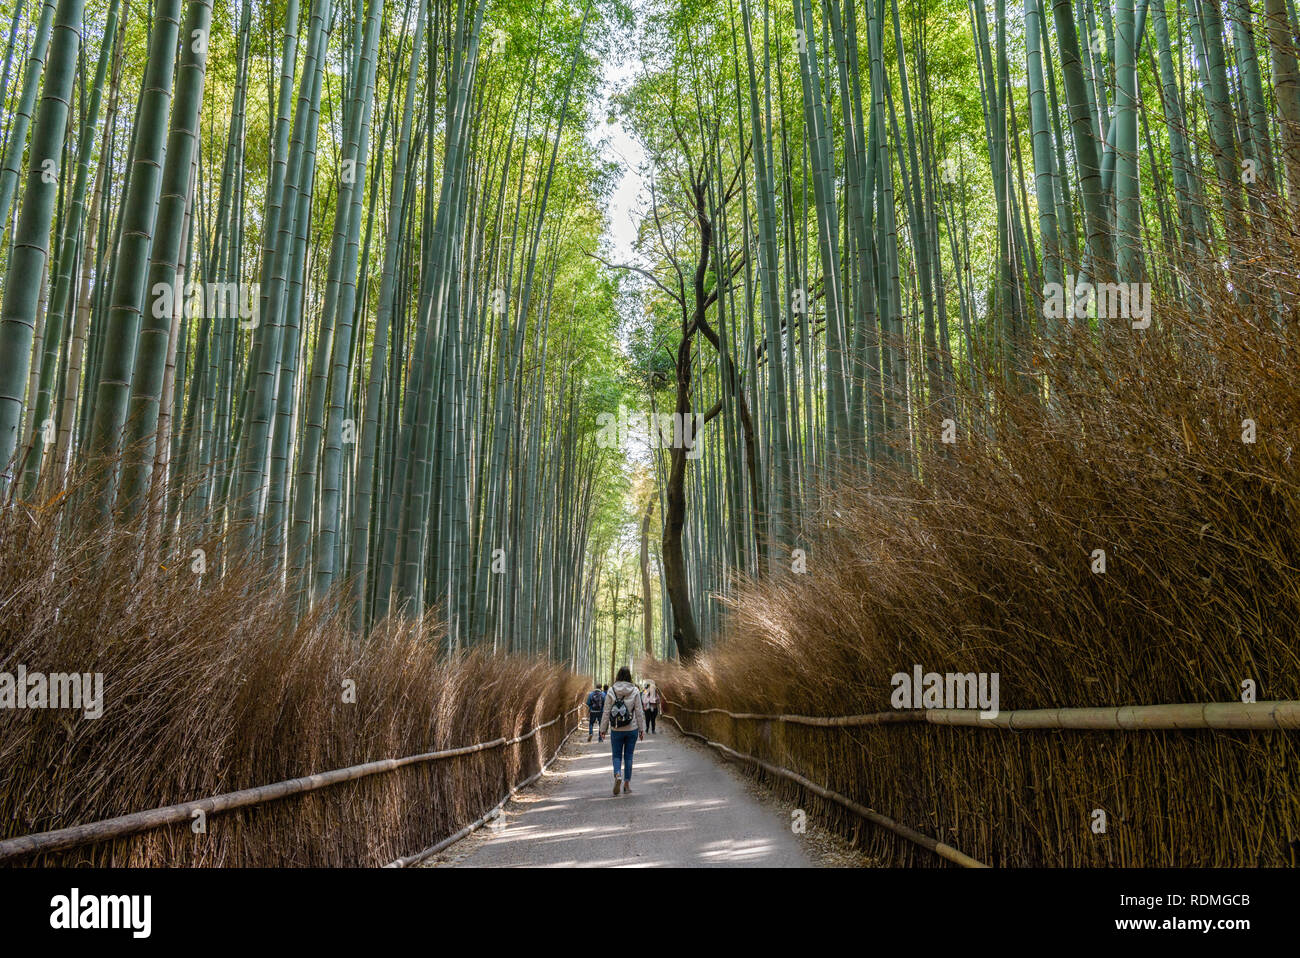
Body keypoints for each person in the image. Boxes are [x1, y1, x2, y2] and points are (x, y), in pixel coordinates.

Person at [599, 667, 645, 795]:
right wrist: (641, 729)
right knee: (629, 756)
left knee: (617, 755)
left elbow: (606, 712)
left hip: (616, 728)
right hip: (632, 729)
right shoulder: (635, 690)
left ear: (618, 676)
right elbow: (639, 712)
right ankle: (626, 784)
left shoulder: (611, 690)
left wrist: (603, 729)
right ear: (629, 676)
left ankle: (617, 774)